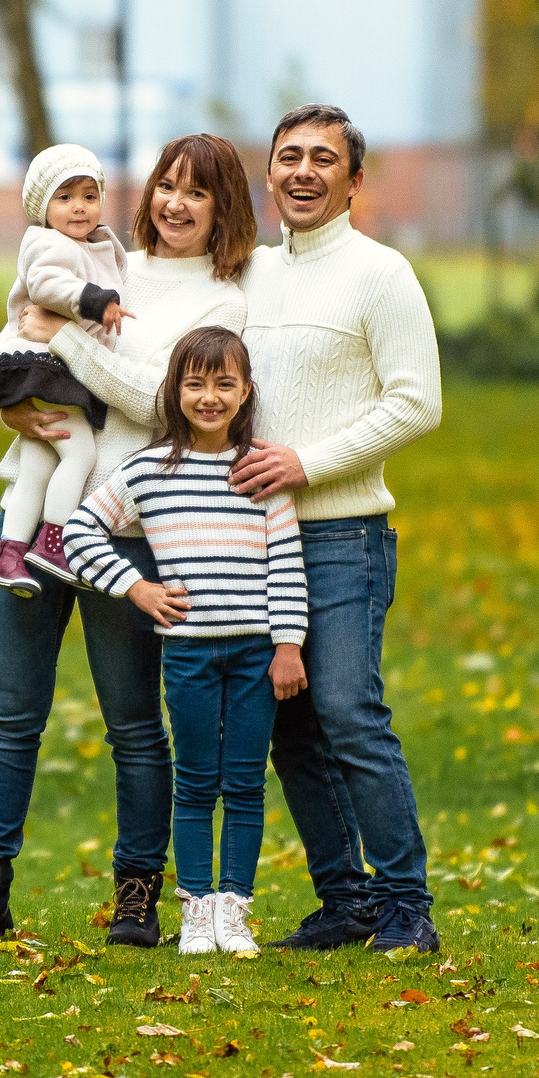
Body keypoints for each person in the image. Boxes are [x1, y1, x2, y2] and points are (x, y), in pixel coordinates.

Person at [0, 134, 256, 952]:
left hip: (128, 531)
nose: (175, 204)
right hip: (39, 507)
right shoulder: (100, 257)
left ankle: (138, 895)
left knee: (132, 725)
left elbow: (163, 403)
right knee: (12, 715)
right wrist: (16, 400)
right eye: (165, 186)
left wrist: (66, 332)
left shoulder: (223, 300)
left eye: (197, 192)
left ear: (223, 207)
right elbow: (20, 338)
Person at [228, 104, 444, 954]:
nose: (304, 171)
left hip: (344, 533)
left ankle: (406, 906)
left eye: (324, 158)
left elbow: (417, 402)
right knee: (289, 723)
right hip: (256, 536)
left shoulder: (380, 273)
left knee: (350, 710)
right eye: (289, 157)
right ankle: (344, 902)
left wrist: (307, 462)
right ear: (270, 172)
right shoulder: (244, 273)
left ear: (355, 181)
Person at [62, 327, 308, 959]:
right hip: (190, 653)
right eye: (195, 384)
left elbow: (285, 562)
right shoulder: (147, 471)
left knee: (246, 782)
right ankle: (196, 909)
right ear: (174, 391)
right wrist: (136, 588)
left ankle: (235, 909)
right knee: (196, 780)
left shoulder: (260, 471)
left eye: (224, 384)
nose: (209, 398)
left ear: (246, 390)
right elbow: (79, 532)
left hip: (257, 654)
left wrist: (289, 646)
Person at [0, 145, 131, 595]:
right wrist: (95, 300)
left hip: (43, 366)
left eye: (89, 194)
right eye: (64, 197)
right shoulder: (46, 242)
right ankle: (54, 542)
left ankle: (8, 554)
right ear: (42, 207)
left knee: (38, 463)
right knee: (80, 454)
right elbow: (47, 283)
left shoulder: (87, 244)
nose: (79, 206)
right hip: (42, 366)